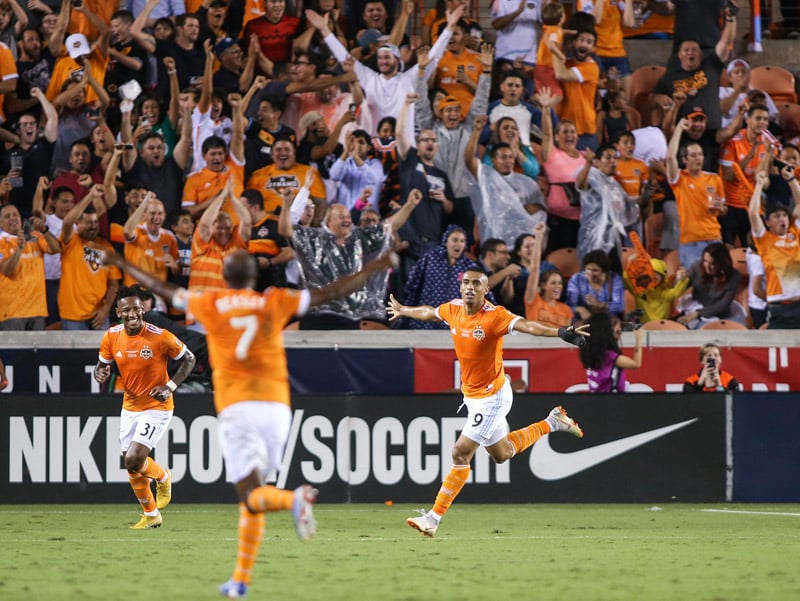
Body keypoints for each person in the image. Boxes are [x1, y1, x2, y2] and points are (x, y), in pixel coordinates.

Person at [104, 246, 398, 598]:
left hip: (238, 408)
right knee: (254, 493)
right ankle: (240, 581)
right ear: (254, 277)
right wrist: (376, 264)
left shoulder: (211, 303)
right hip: (276, 407)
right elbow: (330, 292)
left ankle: (293, 501)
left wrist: (121, 262)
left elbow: (165, 290)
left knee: (251, 492)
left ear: (224, 278)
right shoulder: (275, 301)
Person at [387, 264, 589, 538]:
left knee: (460, 452)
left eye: (476, 283)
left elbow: (527, 325)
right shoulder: (454, 309)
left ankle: (433, 518)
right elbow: (430, 313)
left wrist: (560, 332)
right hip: (473, 397)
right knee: (502, 454)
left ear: (486, 289)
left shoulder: (494, 316)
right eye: (466, 282)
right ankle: (552, 422)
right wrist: (404, 310)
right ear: (461, 287)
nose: (470, 287)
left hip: (493, 397)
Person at [93, 286, 196, 528]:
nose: (132, 314)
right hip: (130, 406)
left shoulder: (160, 336)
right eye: (126, 309)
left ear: (143, 310)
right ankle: (151, 515)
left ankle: (163, 476)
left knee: (134, 459)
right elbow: (101, 366)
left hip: (157, 406)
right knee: (132, 465)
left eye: (137, 309)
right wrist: (101, 372)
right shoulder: (111, 336)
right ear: (118, 311)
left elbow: (189, 358)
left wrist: (170, 386)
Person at [666, 117, 726, 269]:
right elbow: (670, 157)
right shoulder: (680, 180)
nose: (698, 158)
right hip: (691, 241)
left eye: (700, 154)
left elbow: (722, 208)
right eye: (693, 155)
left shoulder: (714, 178)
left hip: (714, 238)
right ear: (684, 160)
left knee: (717, 280)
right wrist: (679, 129)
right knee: (696, 283)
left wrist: (720, 208)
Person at [748, 169, 800, 329]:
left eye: (784, 215)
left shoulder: (795, 232)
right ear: (768, 222)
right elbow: (753, 214)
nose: (782, 219)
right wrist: (758, 185)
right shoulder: (764, 240)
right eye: (776, 216)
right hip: (779, 307)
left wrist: (791, 179)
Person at [400, 225, 473, 330]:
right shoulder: (430, 259)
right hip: (426, 322)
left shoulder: (469, 267)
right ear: (446, 241)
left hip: (455, 324)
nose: (458, 244)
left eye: (462, 241)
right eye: (455, 240)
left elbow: (482, 295)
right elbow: (413, 285)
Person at [676, 241, 745, 328]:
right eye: (705, 261)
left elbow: (723, 304)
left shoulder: (734, 276)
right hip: (699, 307)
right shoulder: (696, 267)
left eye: (712, 264)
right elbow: (677, 290)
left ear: (722, 264)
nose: (707, 266)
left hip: (722, 313)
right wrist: (680, 280)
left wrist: (698, 313)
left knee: (740, 327)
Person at [579, 310, 643, 392]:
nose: (620, 335)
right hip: (611, 399)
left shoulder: (591, 352)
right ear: (607, 333)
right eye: (617, 332)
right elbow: (636, 364)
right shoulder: (609, 356)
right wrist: (639, 338)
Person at [524, 223, 573, 328]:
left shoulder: (566, 310)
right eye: (553, 283)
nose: (558, 286)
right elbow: (534, 269)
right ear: (543, 285)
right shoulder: (533, 301)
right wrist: (538, 237)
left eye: (560, 283)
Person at [566, 249, 626, 321]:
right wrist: (580, 309)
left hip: (608, 321)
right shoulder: (577, 279)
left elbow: (620, 306)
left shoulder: (615, 279)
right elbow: (568, 306)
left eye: (595, 270)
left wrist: (600, 304)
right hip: (583, 321)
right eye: (588, 269)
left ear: (604, 271)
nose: (591, 274)